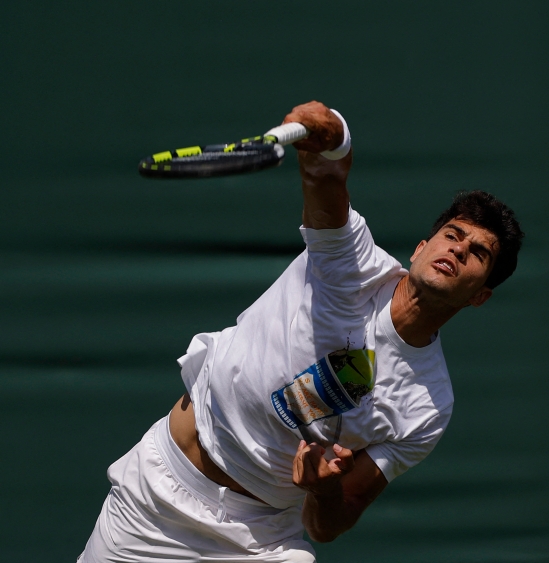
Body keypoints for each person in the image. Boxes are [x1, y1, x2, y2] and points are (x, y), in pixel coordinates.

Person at [78, 101, 524, 562]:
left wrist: (326, 490)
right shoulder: (350, 264)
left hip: (260, 540)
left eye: (478, 253)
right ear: (420, 248)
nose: (459, 248)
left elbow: (331, 521)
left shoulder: (429, 406)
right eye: (452, 234)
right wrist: (333, 134)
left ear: (480, 295)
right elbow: (325, 174)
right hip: (154, 501)